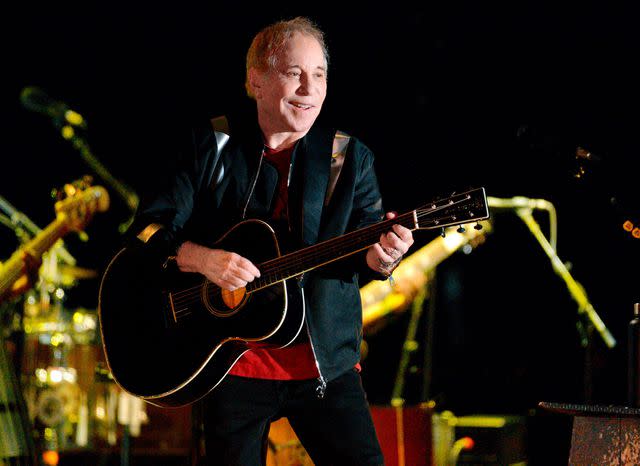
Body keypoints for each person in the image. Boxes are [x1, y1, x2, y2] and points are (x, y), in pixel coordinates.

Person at [131, 16, 414, 466]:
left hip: (323, 365)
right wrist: (203, 259)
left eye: (319, 75)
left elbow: (365, 260)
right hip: (228, 363)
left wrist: (384, 260)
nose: (309, 89)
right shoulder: (213, 144)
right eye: (293, 73)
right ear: (256, 81)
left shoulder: (350, 157)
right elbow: (146, 230)